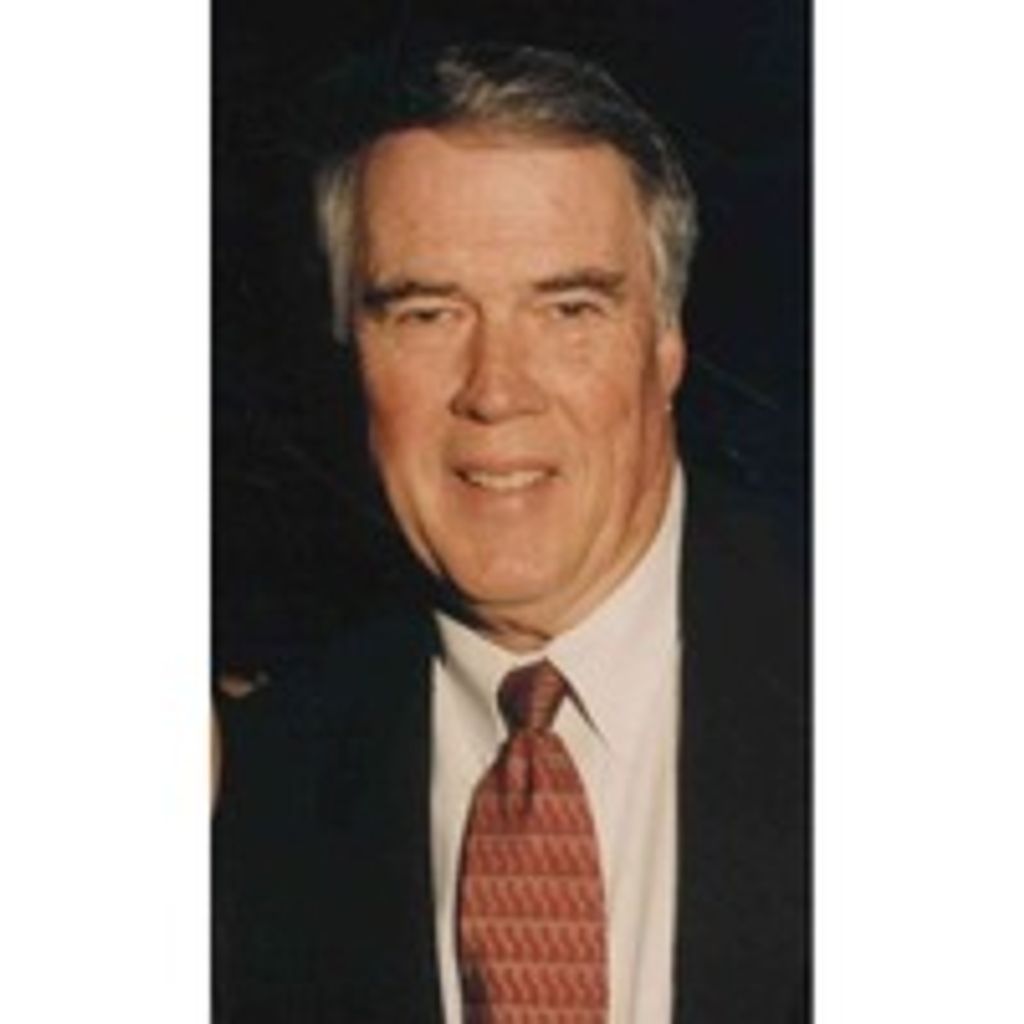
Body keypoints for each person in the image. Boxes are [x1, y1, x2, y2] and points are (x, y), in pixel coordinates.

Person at [214, 43, 807, 1024]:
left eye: (568, 308)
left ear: (666, 346)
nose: (496, 390)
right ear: (352, 353)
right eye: (426, 314)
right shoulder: (254, 787)